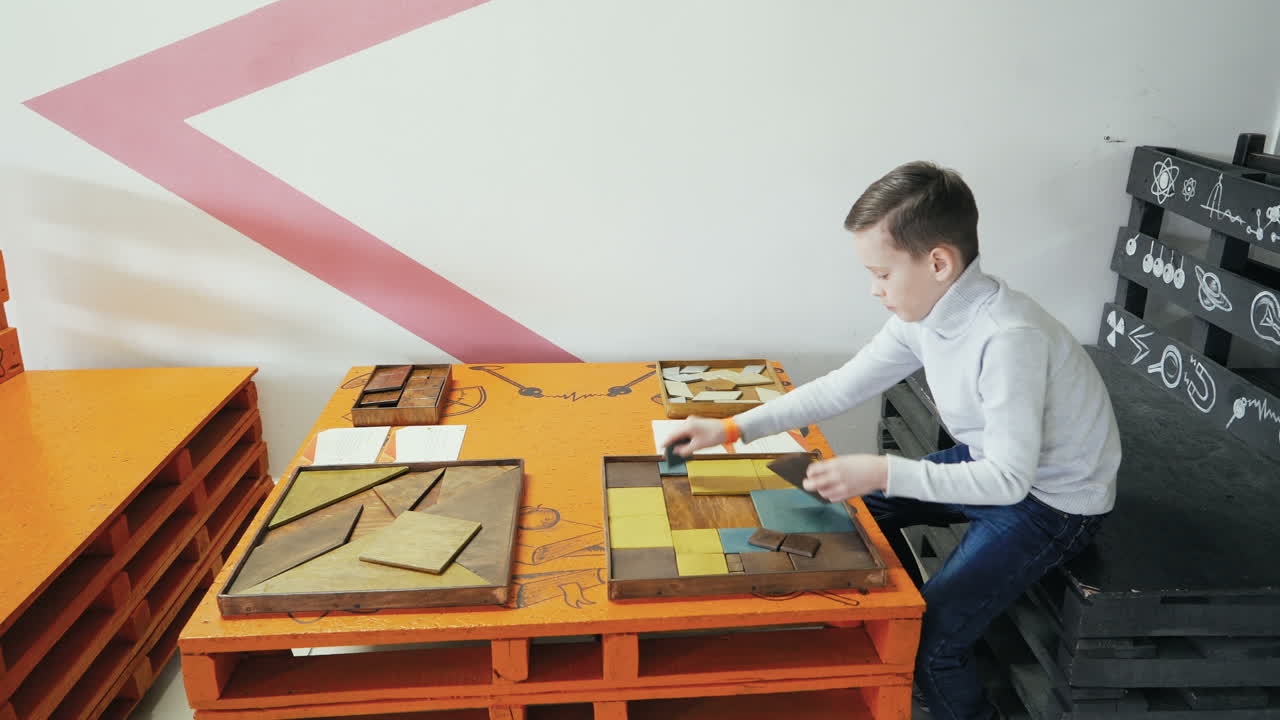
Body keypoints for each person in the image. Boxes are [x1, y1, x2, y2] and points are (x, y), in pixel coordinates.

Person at [662, 161, 1120, 720]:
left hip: (1051, 501)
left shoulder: (1008, 339)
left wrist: (882, 470)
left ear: (938, 263)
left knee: (929, 643)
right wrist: (731, 428)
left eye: (881, 273)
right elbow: (842, 386)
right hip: (992, 464)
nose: (874, 290)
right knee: (842, 510)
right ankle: (858, 646)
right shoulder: (925, 313)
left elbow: (1008, 481)